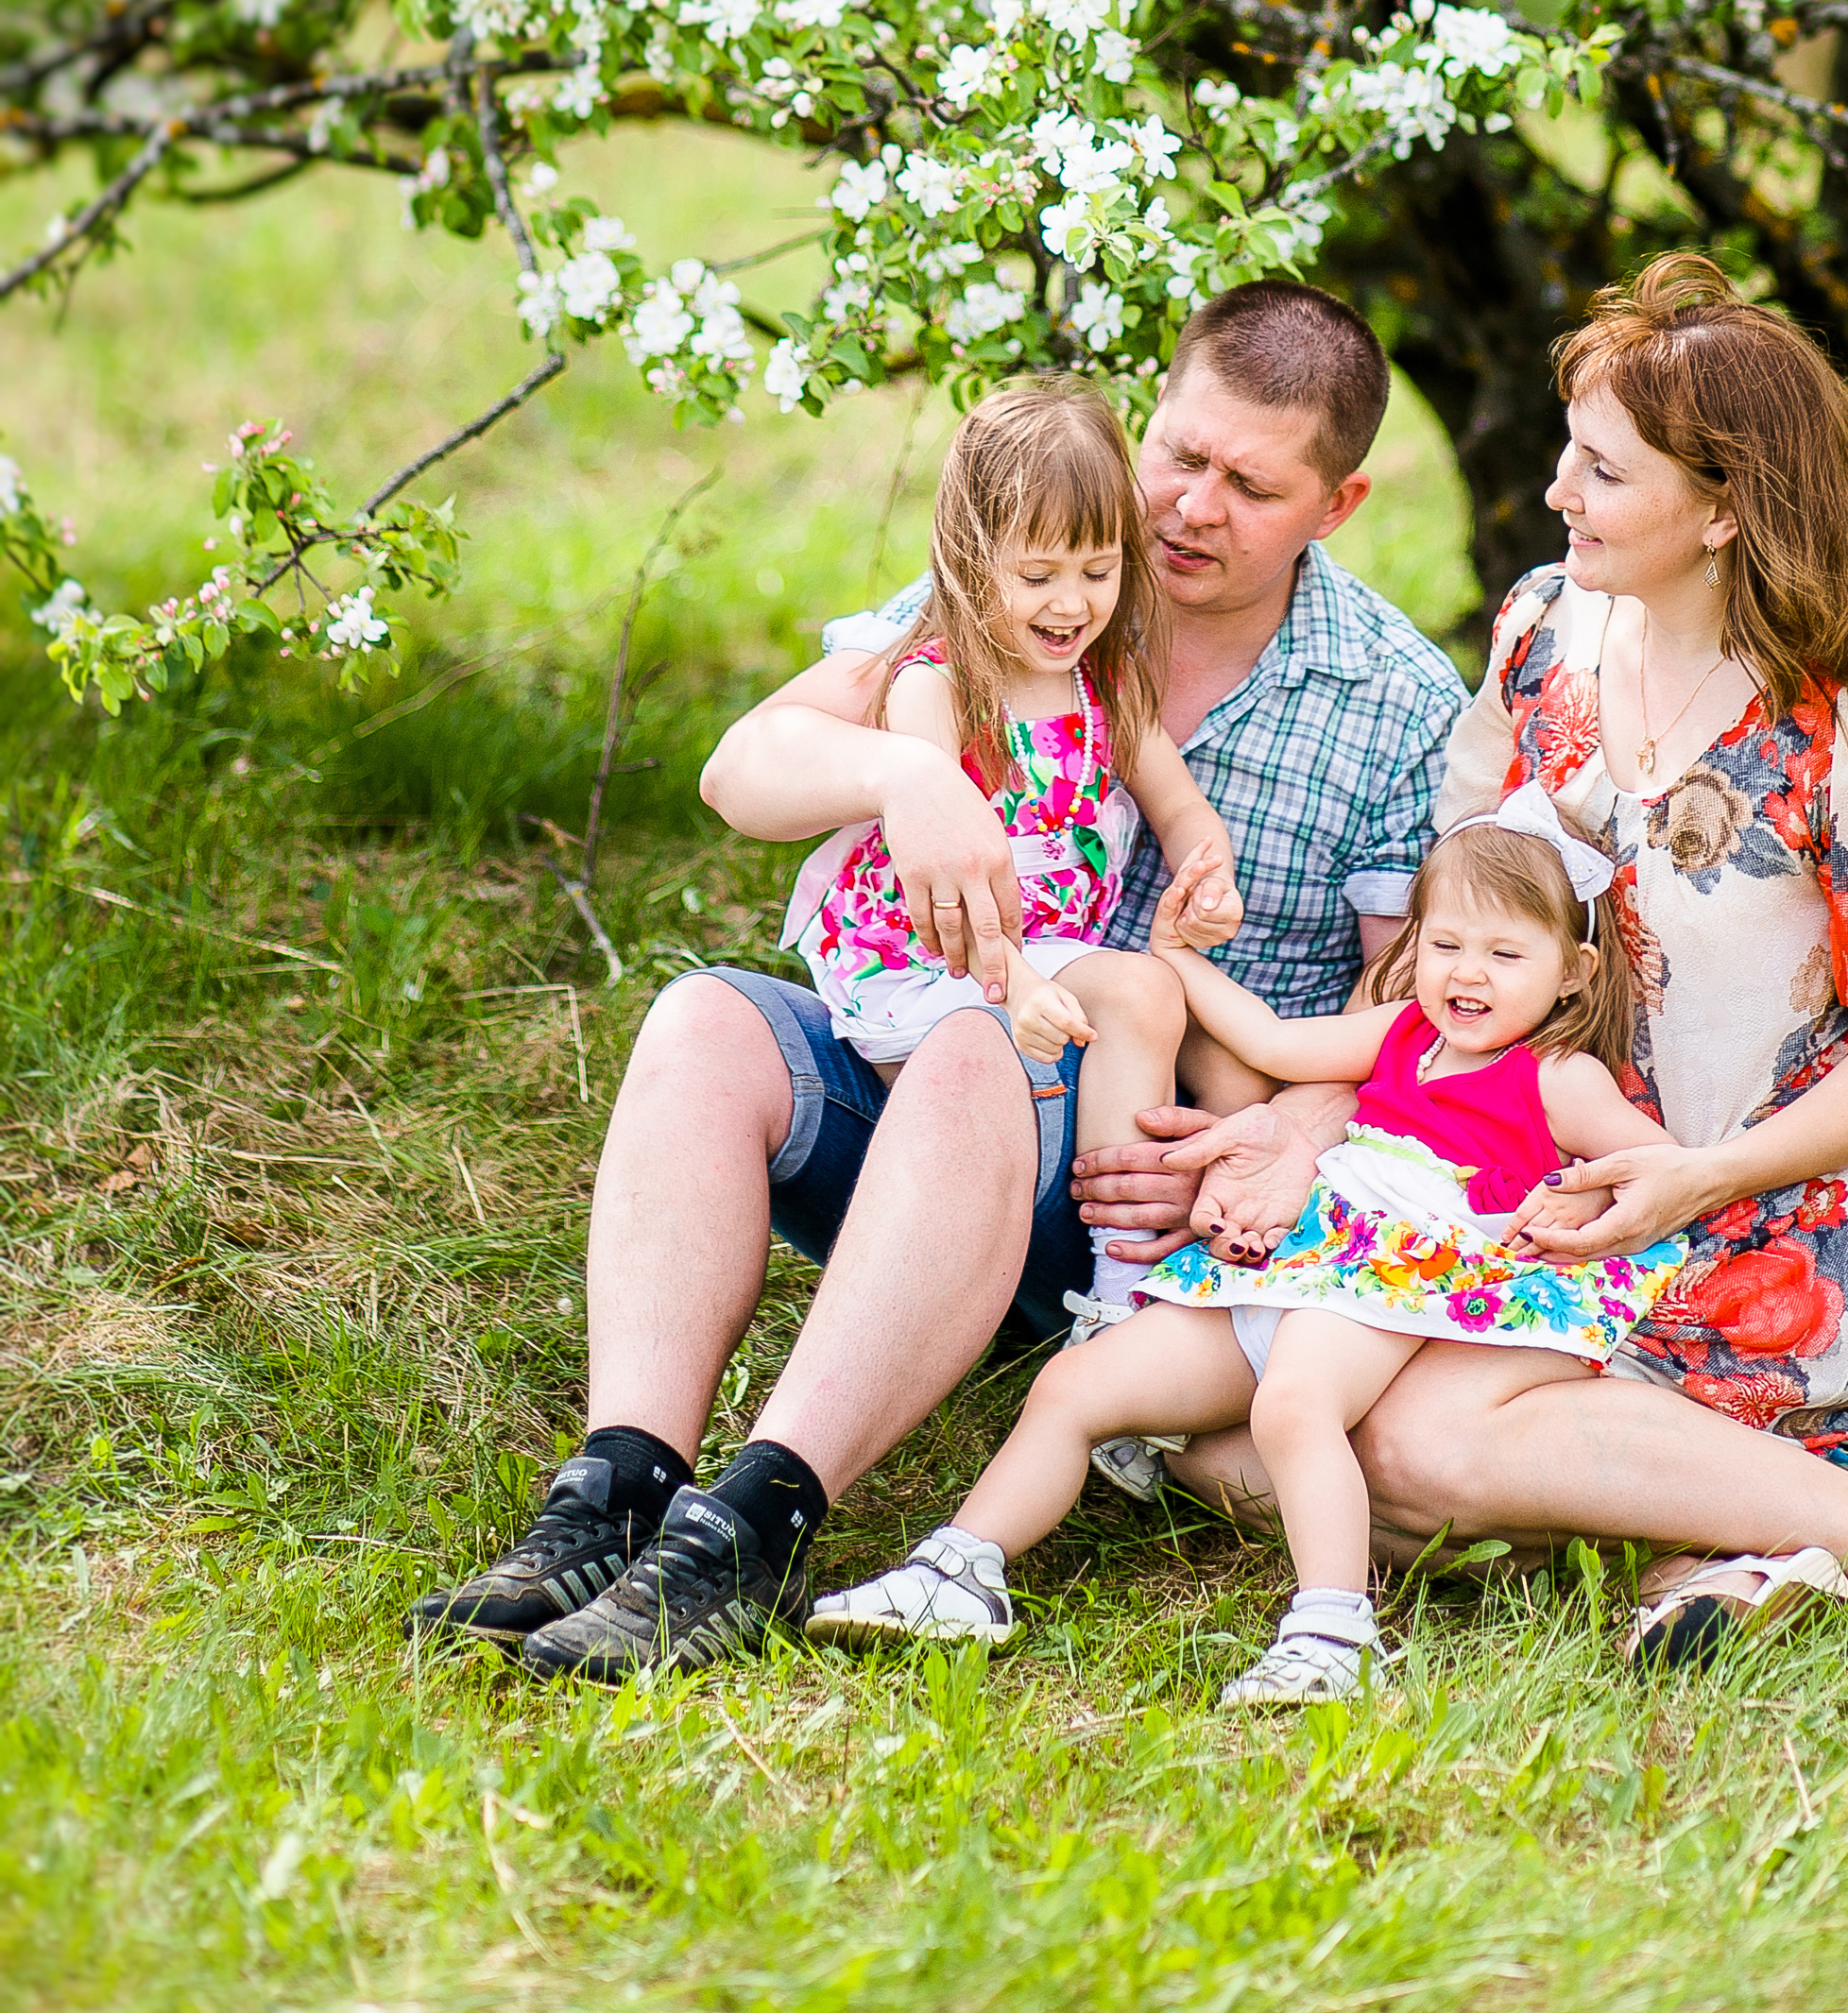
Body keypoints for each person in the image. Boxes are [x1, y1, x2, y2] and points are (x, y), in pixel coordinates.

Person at [406, 277, 1466, 1677]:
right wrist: (904, 769)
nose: (1190, 508)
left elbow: (1441, 1019)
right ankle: (617, 1488)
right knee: (706, 1022)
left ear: (1338, 505)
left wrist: (1287, 1131)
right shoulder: (1030, 566)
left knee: (981, 1039)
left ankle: (757, 1526)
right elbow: (743, 769)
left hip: (1156, 1214)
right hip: (936, 1118)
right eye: (1179, 453)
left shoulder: (1394, 702)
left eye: (1250, 486)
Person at [1155, 257, 1848, 1657]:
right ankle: (1727, 1543)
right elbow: (1440, 946)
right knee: (1208, 1438)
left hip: (1764, 1219)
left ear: (1723, 509)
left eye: (1602, 472)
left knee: (1398, 1446)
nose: (1556, 497)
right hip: (1518, 1180)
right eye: (1567, 457)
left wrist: (1703, 1175)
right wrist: (1306, 1125)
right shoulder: (1546, 632)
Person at [809, 810, 1689, 1707]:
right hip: (1298, 1252)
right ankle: (960, 1574)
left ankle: (1335, 1631)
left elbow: (1665, 1167)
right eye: (1446, 943)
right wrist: (1179, 958)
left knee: (1296, 1405)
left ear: (1573, 975)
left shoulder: (1554, 1077)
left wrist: (1579, 1191)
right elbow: (1268, 1042)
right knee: (1078, 1389)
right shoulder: (1401, 1035)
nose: (1466, 974)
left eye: (1506, 956)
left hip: (1397, 1277)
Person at [785, 373, 1242, 1350]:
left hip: (1039, 950)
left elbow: (1177, 801)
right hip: (931, 953)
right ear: (966, 557)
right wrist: (1013, 981)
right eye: (1038, 575)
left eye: (1099, 569)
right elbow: (944, 898)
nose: (1071, 603)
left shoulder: (1106, 683)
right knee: (1010, 1058)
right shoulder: (936, 685)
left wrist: (1208, 870)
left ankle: (1117, 1289)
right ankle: (958, 1284)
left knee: (1158, 996)